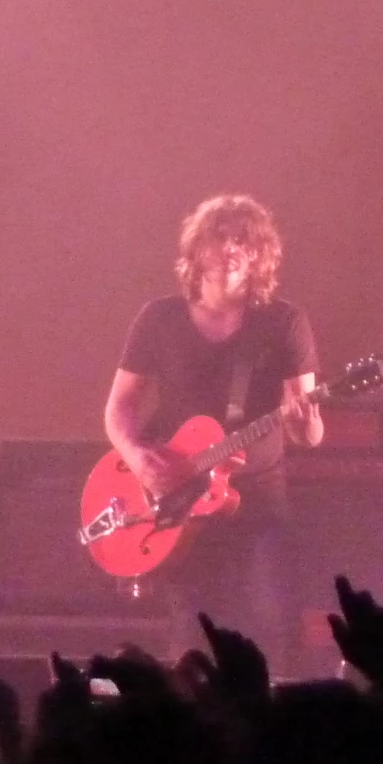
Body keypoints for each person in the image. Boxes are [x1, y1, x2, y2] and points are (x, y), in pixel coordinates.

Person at [103, 193, 323, 674]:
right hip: (177, 500)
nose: (231, 251)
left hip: (257, 501)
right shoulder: (159, 319)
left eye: (244, 243)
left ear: (260, 256)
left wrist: (306, 422)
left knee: (267, 624)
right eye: (220, 240)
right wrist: (138, 458)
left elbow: (308, 433)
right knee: (188, 631)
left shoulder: (284, 323)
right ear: (197, 251)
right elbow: (119, 406)